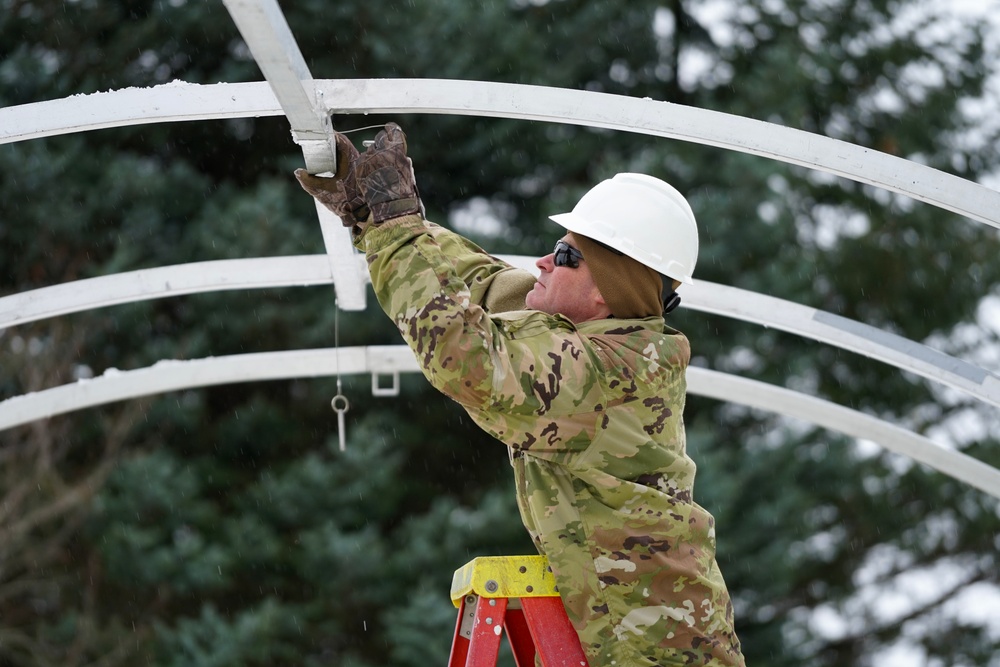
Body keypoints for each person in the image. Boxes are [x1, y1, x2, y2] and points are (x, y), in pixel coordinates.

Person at [295, 123, 744, 667]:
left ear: (609, 289)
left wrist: (397, 229)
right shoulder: (596, 340)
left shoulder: (613, 372)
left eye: (566, 254)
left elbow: (468, 359)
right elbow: (480, 285)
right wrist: (376, 217)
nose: (544, 261)